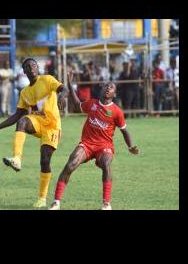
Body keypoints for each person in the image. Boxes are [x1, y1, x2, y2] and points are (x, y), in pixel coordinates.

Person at [49, 71, 140, 211]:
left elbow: (124, 130)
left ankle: (106, 204)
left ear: (114, 94)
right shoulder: (92, 103)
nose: (107, 88)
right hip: (87, 144)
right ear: (102, 89)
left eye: (111, 87)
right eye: (106, 86)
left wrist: (130, 146)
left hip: (105, 145)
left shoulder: (117, 111)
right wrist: (69, 84)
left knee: (106, 164)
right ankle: (56, 202)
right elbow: (76, 105)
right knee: (70, 164)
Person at [0, 58, 69, 208]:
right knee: (23, 121)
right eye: (27, 66)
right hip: (37, 123)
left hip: (52, 126)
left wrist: (62, 96)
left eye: (33, 65)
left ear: (38, 67)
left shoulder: (47, 79)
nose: (31, 68)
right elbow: (17, 115)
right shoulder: (25, 92)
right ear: (24, 72)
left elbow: (64, 89)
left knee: (44, 161)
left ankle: (42, 199)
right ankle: (17, 159)